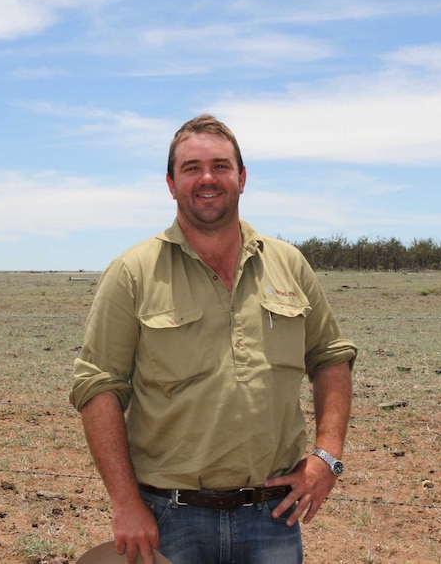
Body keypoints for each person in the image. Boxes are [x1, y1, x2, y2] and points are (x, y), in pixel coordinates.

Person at [70, 114, 357, 564]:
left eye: (221, 166)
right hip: (168, 516)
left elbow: (329, 358)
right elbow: (97, 387)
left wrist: (328, 456)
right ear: (170, 183)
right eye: (191, 168)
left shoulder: (289, 264)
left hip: (272, 517)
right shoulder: (133, 273)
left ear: (242, 178)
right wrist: (125, 502)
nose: (208, 178)